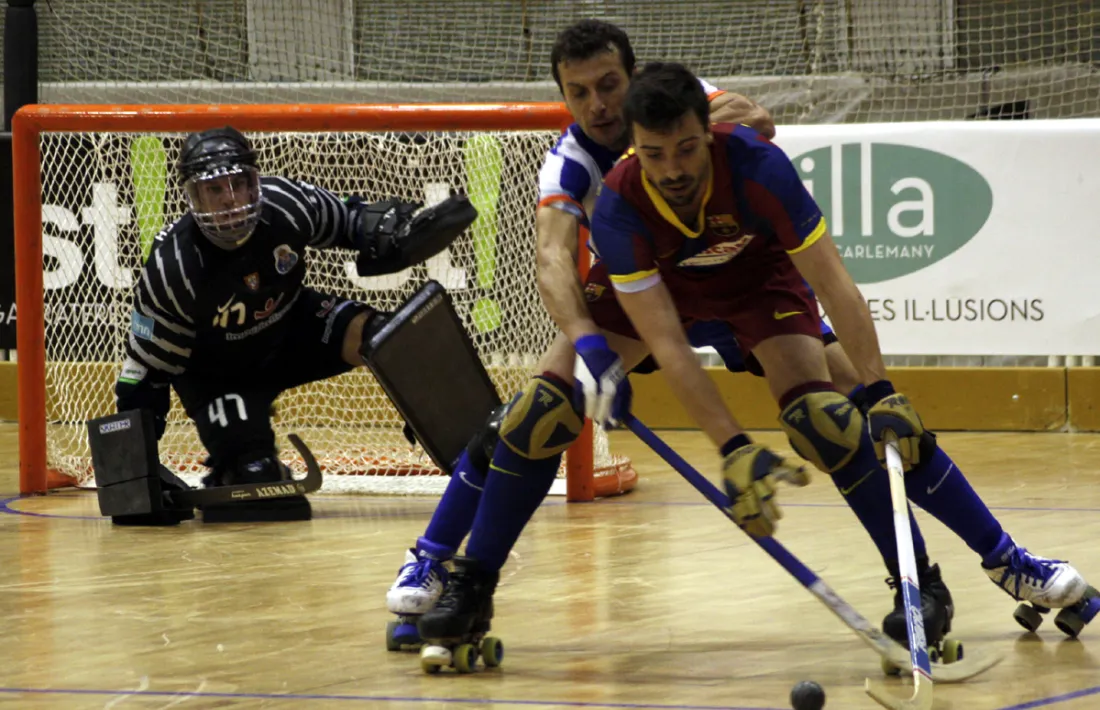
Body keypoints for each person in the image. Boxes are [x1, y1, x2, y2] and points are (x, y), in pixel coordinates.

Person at [413, 62, 1097, 662]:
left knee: (838, 419)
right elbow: (671, 344)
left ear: (704, 131)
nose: (676, 170)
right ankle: (469, 585)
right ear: (633, 148)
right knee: (539, 413)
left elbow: (833, 283)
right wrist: (733, 449)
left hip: (754, 283)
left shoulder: (757, 164)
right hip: (658, 287)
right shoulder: (617, 203)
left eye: (687, 150)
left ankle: (956, 575)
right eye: (657, 155)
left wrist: (884, 388)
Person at [381, 18, 776, 650]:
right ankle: (442, 566)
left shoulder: (673, 104)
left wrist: (707, 119)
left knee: (838, 409)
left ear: (634, 76)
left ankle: (925, 574)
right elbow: (553, 258)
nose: (599, 104)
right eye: (579, 92)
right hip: (639, 300)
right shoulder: (569, 162)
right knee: (529, 418)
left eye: (610, 84)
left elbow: (759, 119)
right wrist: (588, 343)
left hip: (739, 279)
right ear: (564, 97)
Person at [115, 126, 473, 523]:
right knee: (256, 480)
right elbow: (145, 374)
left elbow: (353, 222)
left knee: (388, 338)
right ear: (193, 197)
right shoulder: (171, 268)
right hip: (217, 373)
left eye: (239, 184)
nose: (230, 200)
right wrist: (134, 476)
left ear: (255, 183)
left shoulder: (285, 202)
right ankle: (238, 459)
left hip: (290, 329)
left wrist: (395, 235)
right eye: (214, 190)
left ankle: (471, 445)